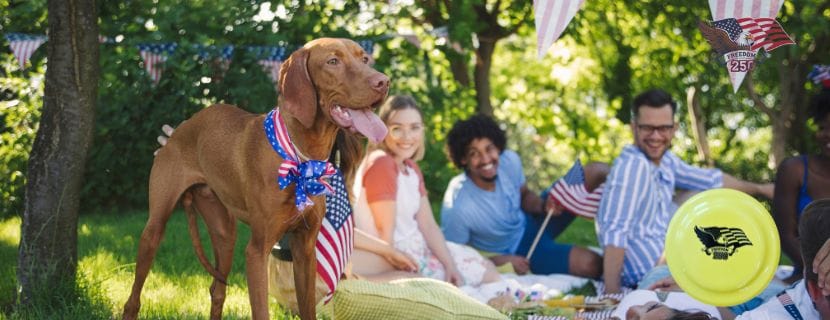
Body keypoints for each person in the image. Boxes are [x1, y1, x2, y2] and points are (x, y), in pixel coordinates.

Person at [596, 89, 774, 293]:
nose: (656, 136)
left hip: (668, 257)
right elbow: (615, 230)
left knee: (698, 196)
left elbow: (712, 180)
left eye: (663, 128)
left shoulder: (664, 161)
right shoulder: (633, 166)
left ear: (674, 128)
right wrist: (612, 292)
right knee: (751, 287)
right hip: (650, 276)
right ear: (634, 127)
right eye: (648, 128)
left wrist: (762, 189)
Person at [352, 95, 501, 287]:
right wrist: (399, 272)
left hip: (420, 246)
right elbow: (384, 235)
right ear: (383, 130)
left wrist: (450, 266)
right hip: (398, 254)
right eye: (397, 129)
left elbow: (429, 225)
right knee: (487, 279)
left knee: (487, 269)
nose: (407, 137)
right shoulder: (382, 163)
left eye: (414, 128)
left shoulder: (411, 169)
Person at [440, 114, 606, 278]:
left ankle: (620, 231)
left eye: (489, 148)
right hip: (520, 249)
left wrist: (543, 205)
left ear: (498, 147)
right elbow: (456, 255)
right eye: (474, 153)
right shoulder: (458, 206)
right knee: (592, 264)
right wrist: (502, 261)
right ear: (463, 159)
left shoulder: (509, 160)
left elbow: (524, 195)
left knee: (596, 171)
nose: (485, 159)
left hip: (534, 218)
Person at [773, 88, 830, 284]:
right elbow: (785, 235)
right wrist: (820, 274)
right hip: (805, 280)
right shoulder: (794, 170)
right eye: (823, 127)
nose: (827, 135)